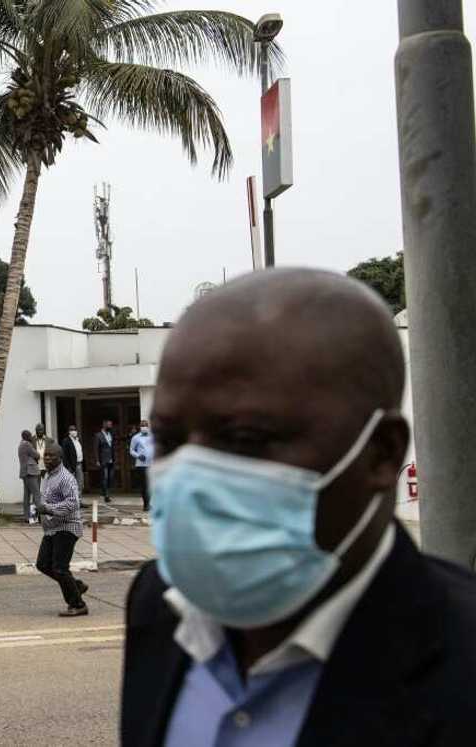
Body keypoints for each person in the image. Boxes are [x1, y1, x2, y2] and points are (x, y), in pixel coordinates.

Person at [121, 269, 476, 747]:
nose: (190, 477)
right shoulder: (156, 603)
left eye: (245, 438)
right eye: (168, 439)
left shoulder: (461, 665)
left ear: (382, 453)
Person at [34, 444, 88, 617]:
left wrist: (49, 509)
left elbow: (73, 503)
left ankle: (78, 604)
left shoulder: (66, 478)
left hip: (67, 527)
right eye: (46, 456)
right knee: (43, 564)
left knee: (59, 568)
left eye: (51, 456)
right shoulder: (48, 476)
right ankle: (75, 586)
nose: (47, 458)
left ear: (60, 458)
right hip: (52, 528)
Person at [129, 419, 154, 511]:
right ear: (140, 427)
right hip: (141, 465)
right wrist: (138, 456)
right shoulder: (136, 437)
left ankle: (149, 503)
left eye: (146, 425)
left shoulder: (152, 436)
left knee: (150, 485)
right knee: (144, 485)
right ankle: (146, 504)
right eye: (142, 425)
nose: (144, 427)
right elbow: (131, 450)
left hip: (152, 464)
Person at [18, 429, 41, 522]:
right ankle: (40, 517)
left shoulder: (21, 445)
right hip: (30, 472)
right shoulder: (27, 445)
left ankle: (27, 517)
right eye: (30, 436)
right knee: (36, 494)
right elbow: (37, 455)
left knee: (27, 495)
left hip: (25, 472)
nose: (31, 437)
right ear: (26, 436)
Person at [60, 424, 85, 493]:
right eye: (72, 430)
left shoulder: (77, 440)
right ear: (69, 432)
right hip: (71, 466)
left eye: (75, 430)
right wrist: (67, 467)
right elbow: (64, 455)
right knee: (70, 484)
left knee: (80, 483)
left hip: (79, 464)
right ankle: (71, 500)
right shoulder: (66, 441)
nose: (74, 431)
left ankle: (78, 500)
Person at [96, 420, 115, 503]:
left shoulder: (110, 434)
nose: (110, 426)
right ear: (104, 425)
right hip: (103, 460)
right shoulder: (98, 435)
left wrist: (129, 435)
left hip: (111, 459)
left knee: (110, 477)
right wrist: (97, 460)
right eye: (109, 425)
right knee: (105, 477)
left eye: (111, 425)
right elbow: (95, 449)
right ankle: (106, 495)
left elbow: (117, 440)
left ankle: (104, 492)